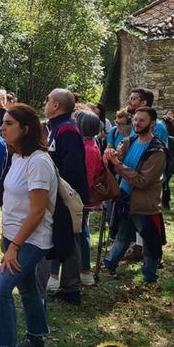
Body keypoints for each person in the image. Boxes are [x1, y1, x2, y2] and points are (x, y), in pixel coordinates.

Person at [0, 103, 56, 347]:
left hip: (31, 239)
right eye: (3, 123)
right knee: (28, 287)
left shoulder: (38, 162)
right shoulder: (18, 155)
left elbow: (38, 211)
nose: (2, 128)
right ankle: (36, 336)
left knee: (0, 288)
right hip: (13, 235)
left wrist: (15, 246)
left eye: (9, 124)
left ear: (26, 129)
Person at [102, 107, 167, 283]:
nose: (137, 123)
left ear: (152, 123)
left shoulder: (157, 152)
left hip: (144, 205)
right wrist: (111, 155)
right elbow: (118, 160)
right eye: (136, 120)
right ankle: (109, 265)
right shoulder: (129, 141)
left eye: (142, 120)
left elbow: (141, 181)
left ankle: (150, 277)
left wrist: (117, 164)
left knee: (150, 243)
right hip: (125, 199)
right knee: (122, 236)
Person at [43, 88, 90, 305]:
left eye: (48, 100)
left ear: (55, 105)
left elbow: (72, 166)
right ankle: (64, 284)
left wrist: (60, 192)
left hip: (66, 194)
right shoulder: (55, 127)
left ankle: (71, 289)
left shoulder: (67, 130)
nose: (45, 103)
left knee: (70, 238)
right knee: (62, 237)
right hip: (56, 192)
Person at [74, 109, 104, 286]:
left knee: (81, 233)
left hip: (82, 198)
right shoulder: (86, 145)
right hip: (80, 197)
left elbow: (87, 178)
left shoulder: (89, 149)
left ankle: (85, 270)